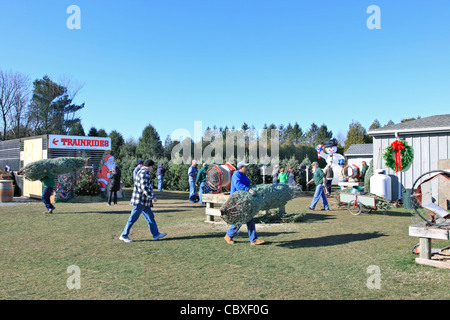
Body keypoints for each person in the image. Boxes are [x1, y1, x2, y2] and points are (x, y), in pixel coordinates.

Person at [119, 159, 166, 243]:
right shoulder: (144, 173)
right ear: (150, 166)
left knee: (150, 217)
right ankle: (124, 235)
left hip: (144, 201)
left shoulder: (143, 172)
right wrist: (152, 197)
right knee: (133, 218)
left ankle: (155, 234)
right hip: (140, 201)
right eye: (152, 167)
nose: (152, 168)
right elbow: (144, 188)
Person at [224, 161, 265, 245]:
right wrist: (248, 190)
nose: (247, 168)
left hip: (244, 200)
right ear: (241, 167)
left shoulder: (244, 176)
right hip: (237, 201)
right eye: (245, 167)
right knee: (241, 219)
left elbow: (247, 185)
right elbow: (238, 185)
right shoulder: (236, 174)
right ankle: (229, 235)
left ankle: (253, 240)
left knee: (248, 219)